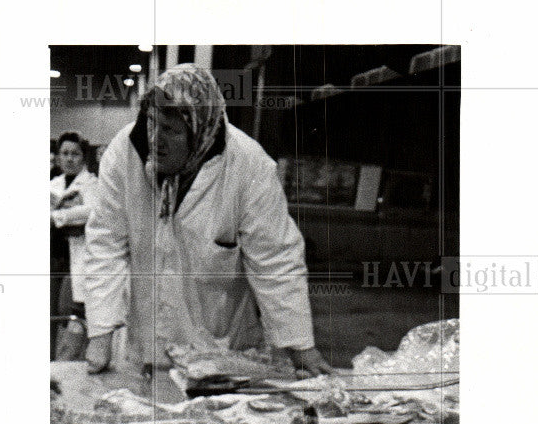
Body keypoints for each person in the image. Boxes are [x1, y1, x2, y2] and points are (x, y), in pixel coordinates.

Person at [81, 64, 333, 376]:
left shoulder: (248, 164)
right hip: (145, 342)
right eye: (152, 124)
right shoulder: (125, 153)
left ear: (200, 131)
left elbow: (276, 259)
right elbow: (106, 244)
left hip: (220, 349)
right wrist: (101, 332)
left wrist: (300, 344)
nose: (155, 139)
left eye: (171, 131)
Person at [50, 132, 98, 358]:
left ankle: (69, 362)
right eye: (65, 153)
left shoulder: (92, 184)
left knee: (72, 315)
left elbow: (91, 211)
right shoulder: (52, 184)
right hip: (52, 257)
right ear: (58, 157)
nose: (69, 159)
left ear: (83, 157)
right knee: (49, 314)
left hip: (76, 260)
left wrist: (58, 216)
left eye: (75, 154)